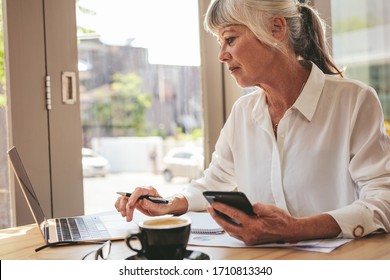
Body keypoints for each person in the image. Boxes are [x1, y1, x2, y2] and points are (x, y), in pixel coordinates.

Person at [115, 0, 390, 245]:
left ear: (276, 29)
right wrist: (170, 204)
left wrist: (295, 229)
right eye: (220, 43)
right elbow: (215, 182)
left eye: (230, 39)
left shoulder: (355, 100)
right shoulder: (243, 112)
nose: (222, 55)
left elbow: (383, 201)